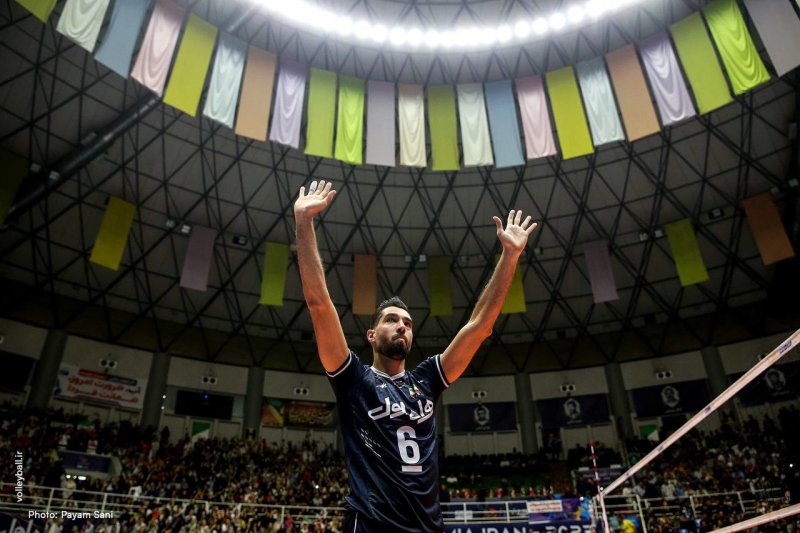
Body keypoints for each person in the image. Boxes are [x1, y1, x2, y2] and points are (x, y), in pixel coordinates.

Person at [294, 180, 538, 532]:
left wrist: (510, 257)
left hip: (428, 526)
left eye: (407, 322)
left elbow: (479, 326)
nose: (402, 326)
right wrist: (304, 223)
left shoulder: (426, 380)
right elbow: (319, 304)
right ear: (372, 335)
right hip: (372, 524)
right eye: (391, 320)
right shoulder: (353, 379)